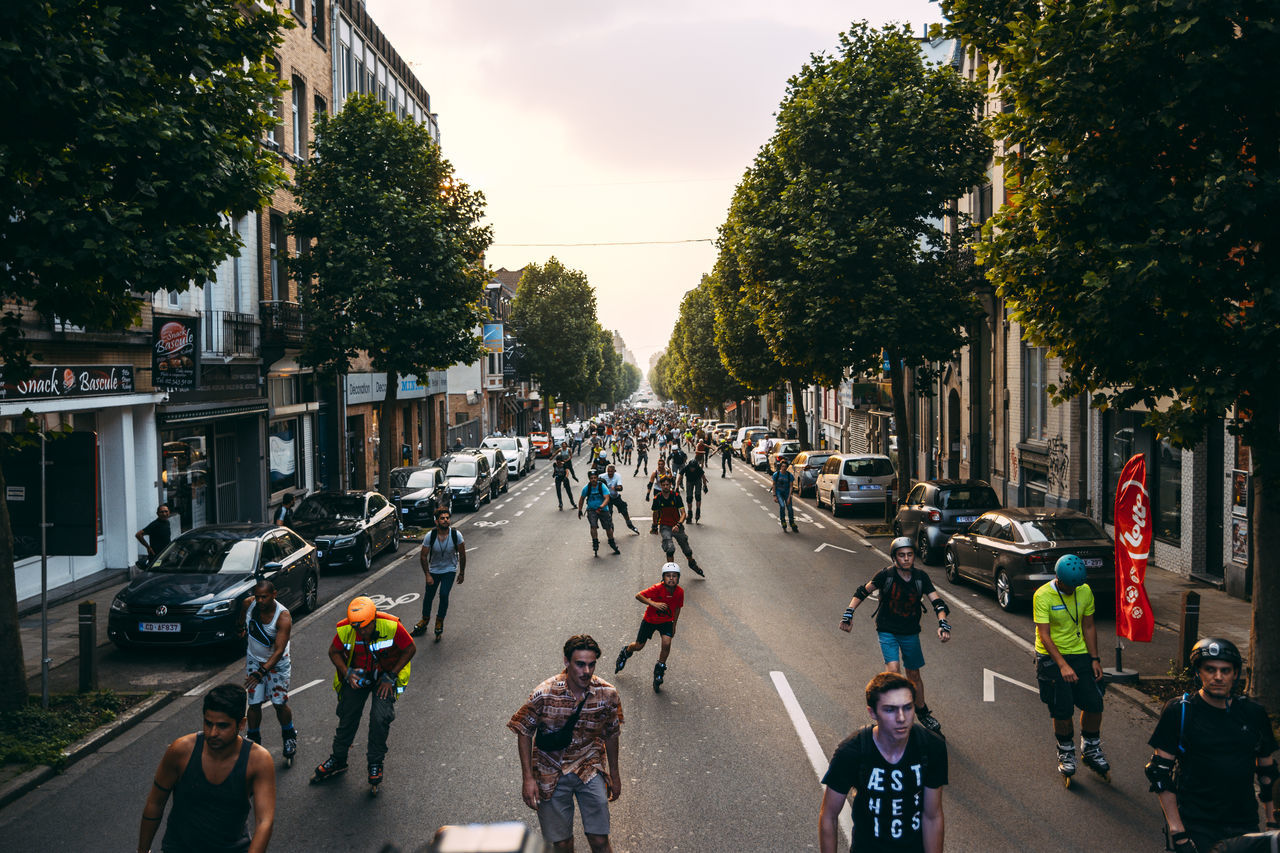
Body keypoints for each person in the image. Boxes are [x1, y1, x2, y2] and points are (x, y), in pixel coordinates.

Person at [1146, 638, 1278, 852]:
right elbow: (1159, 773)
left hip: (1243, 822)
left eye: (1225, 670)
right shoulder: (1179, 711)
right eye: (1210, 669)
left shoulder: (1253, 713)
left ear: (1235, 674)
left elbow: (1267, 772)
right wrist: (1178, 833)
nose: (1218, 677)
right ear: (1199, 672)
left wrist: (1272, 824)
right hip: (1197, 824)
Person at [509, 635, 623, 853]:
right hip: (551, 772)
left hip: (590, 769)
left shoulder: (607, 694)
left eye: (591, 664)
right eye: (580, 664)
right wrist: (528, 778)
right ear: (566, 661)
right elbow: (523, 731)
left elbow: (611, 733)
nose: (586, 671)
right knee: (562, 844)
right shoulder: (544, 694)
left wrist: (615, 776)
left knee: (599, 841)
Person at [818, 672, 947, 853]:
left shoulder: (931, 747)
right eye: (890, 709)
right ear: (872, 712)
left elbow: (932, 816)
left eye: (908, 707)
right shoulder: (852, 752)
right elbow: (829, 816)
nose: (901, 717)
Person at [138, 683, 275, 853]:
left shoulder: (259, 760)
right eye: (208, 723)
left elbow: (264, 821)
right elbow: (155, 803)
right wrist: (142, 851)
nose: (212, 733)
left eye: (222, 726)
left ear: (241, 724)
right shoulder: (181, 751)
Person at [839, 537, 950, 734]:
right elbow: (862, 592)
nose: (906, 559)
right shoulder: (885, 576)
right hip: (887, 629)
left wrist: (943, 623)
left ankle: (922, 712)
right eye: (902, 555)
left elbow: (938, 603)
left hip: (910, 632)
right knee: (893, 671)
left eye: (910, 555)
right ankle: (895, 714)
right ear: (894, 558)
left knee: (913, 674)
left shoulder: (921, 578)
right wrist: (849, 613)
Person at [312, 596, 416, 791]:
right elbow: (333, 651)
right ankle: (338, 759)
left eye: (364, 627)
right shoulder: (346, 628)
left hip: (385, 676)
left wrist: (391, 676)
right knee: (347, 716)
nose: (360, 632)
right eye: (356, 628)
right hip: (359, 675)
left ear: (374, 619)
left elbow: (410, 648)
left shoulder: (391, 626)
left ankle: (375, 763)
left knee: (379, 718)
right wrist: (347, 673)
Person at [1031, 554, 1109, 784]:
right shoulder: (1043, 595)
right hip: (1051, 657)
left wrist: (1095, 658)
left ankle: (1091, 746)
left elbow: (1089, 625)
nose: (1075, 589)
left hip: (1080, 653)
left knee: (1095, 703)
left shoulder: (1084, 590)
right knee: (1062, 709)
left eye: (1078, 585)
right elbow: (1044, 635)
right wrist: (1062, 665)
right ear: (1058, 578)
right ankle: (1065, 751)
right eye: (1070, 585)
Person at [237, 580, 297, 764]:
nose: (260, 601)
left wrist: (262, 672)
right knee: (254, 704)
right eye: (257, 597)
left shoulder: (283, 617)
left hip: (277, 665)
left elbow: (279, 650)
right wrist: (240, 627)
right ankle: (254, 741)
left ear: (274, 594)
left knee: (279, 702)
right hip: (255, 661)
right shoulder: (249, 604)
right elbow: (242, 618)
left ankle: (289, 735)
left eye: (264, 597)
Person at [614, 563, 683, 691]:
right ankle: (626, 651)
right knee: (639, 646)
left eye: (674, 576)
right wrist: (653, 603)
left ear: (678, 578)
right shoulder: (657, 588)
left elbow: (678, 607)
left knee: (667, 643)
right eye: (668, 576)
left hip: (667, 621)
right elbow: (638, 595)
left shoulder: (680, 592)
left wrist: (674, 624)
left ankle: (660, 668)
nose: (671, 578)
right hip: (650, 620)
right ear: (663, 577)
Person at [412, 508, 466, 641]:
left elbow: (463, 554)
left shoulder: (456, 535)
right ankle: (424, 620)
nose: (446, 520)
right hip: (434, 570)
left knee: (444, 594)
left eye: (447, 518)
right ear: (436, 521)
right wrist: (427, 574)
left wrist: (462, 573)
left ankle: (439, 621)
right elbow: (423, 556)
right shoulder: (430, 536)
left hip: (449, 570)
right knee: (428, 596)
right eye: (442, 518)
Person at [649, 476, 704, 577]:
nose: (666, 487)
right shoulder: (657, 499)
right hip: (665, 526)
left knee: (686, 549)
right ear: (661, 486)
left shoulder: (676, 496)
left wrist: (678, 524)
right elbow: (655, 514)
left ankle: (692, 563)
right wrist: (654, 526)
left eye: (667, 485)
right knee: (670, 549)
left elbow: (683, 513)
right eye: (664, 485)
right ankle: (671, 572)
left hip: (677, 525)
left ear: (670, 485)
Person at [578, 469, 621, 557]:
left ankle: (612, 542)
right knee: (593, 526)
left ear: (597, 478)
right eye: (591, 478)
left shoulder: (602, 486)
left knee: (608, 527)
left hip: (603, 510)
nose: (593, 480)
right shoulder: (587, 488)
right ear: (589, 479)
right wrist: (580, 510)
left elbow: (607, 498)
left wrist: (601, 507)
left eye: (595, 478)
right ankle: (595, 542)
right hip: (591, 510)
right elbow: (582, 498)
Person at [601, 463, 640, 534]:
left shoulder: (617, 476)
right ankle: (611, 527)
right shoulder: (602, 476)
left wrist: (615, 488)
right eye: (608, 471)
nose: (609, 473)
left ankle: (629, 524)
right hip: (607, 498)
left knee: (624, 509)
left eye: (611, 472)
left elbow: (620, 488)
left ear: (614, 471)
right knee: (609, 513)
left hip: (615, 497)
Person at [676, 452, 708, 524]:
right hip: (689, 481)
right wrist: (677, 487)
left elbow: (703, 477)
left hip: (697, 481)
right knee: (689, 498)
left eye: (693, 468)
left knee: (697, 496)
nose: (692, 469)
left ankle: (698, 510)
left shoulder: (698, 468)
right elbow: (680, 478)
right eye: (691, 467)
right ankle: (689, 512)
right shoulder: (686, 467)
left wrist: (705, 486)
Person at [771, 458, 798, 533]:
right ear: (780, 467)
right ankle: (783, 520)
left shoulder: (789, 476)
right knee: (782, 506)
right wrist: (774, 495)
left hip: (786, 493)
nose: (784, 468)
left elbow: (791, 486)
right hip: (779, 492)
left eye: (785, 466)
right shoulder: (776, 475)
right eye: (782, 466)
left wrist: (789, 497)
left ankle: (792, 522)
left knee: (789, 508)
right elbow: (774, 485)